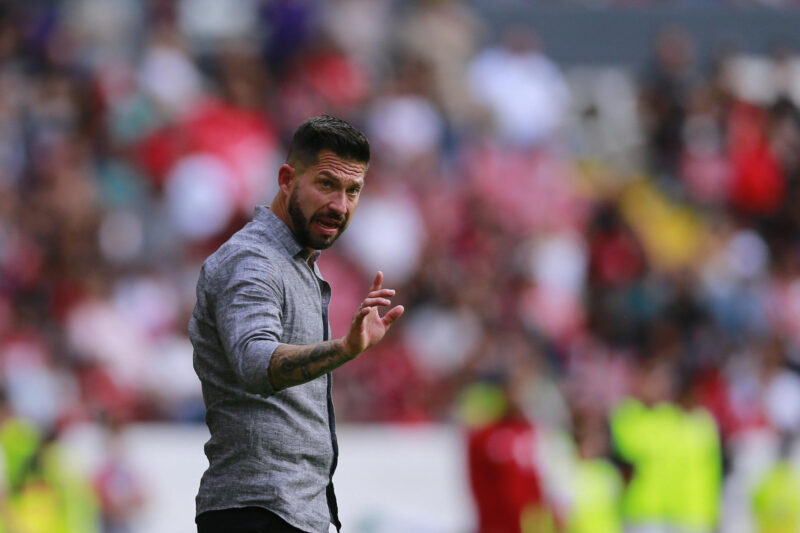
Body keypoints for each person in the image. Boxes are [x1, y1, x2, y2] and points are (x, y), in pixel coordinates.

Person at [190, 115, 404, 533]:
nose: (340, 206)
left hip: (290, 512)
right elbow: (256, 363)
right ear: (287, 179)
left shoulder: (298, 263)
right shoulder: (252, 262)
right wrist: (344, 349)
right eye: (326, 184)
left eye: (352, 190)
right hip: (257, 511)